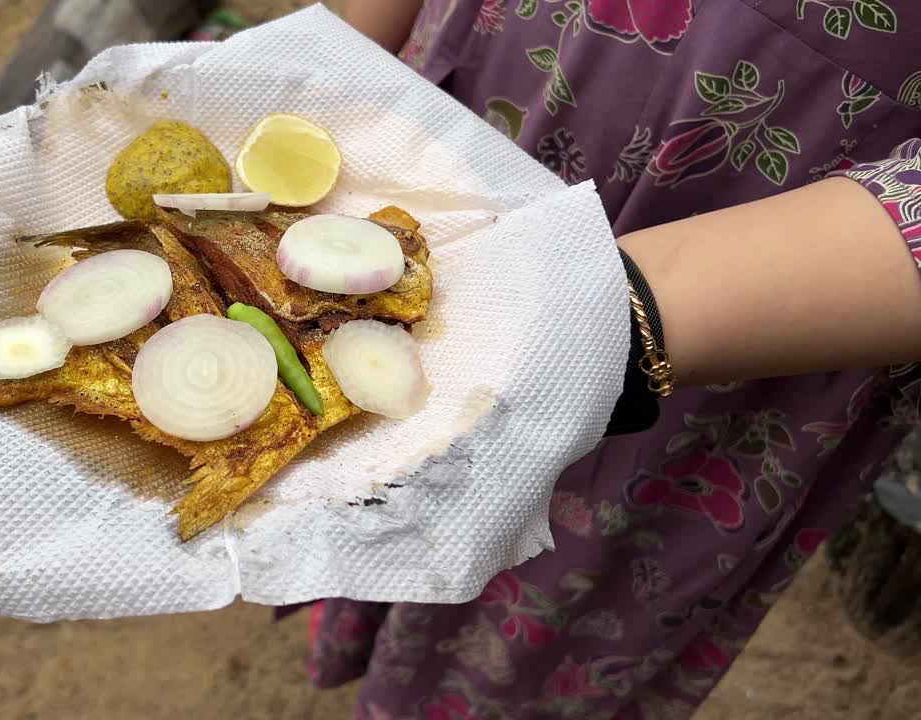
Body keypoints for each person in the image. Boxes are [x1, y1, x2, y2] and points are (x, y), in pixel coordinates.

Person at [302, 1, 921, 718]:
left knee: (531, 612)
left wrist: (602, 319)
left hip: (761, 295)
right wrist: (326, 68)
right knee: (365, 471)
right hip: (475, 99)